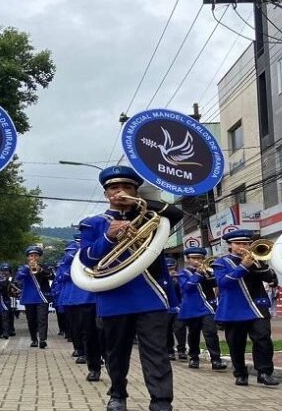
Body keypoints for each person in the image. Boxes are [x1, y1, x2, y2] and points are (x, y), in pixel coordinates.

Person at [78, 165, 183, 411]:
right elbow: (85, 259)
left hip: (151, 295)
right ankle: (118, 394)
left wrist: (141, 204)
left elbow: (176, 213)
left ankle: (161, 401)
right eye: (115, 188)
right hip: (114, 296)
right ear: (106, 194)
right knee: (116, 352)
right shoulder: (93, 223)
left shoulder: (152, 217)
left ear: (137, 191)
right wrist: (108, 237)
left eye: (127, 187)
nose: (121, 191)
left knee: (156, 352)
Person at [213, 229, 278, 387]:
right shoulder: (221, 262)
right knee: (236, 343)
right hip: (234, 308)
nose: (242, 246)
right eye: (238, 243)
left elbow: (270, 279)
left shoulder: (256, 259)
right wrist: (243, 266)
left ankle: (264, 372)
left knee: (263, 338)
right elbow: (223, 283)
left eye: (246, 243)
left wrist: (258, 263)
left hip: (257, 306)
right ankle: (241, 373)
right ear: (230, 245)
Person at [61, 233, 103, 382]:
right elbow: (65, 270)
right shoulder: (74, 253)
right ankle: (94, 367)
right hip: (85, 297)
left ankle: (109, 363)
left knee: (108, 334)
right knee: (89, 333)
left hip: (106, 294)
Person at [177, 247, 227, 371]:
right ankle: (194, 357)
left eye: (199, 258)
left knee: (211, 333)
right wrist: (198, 274)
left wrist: (211, 274)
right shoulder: (183, 273)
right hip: (192, 309)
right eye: (194, 258)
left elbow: (217, 284)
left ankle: (216, 360)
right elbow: (186, 288)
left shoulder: (208, 271)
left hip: (207, 307)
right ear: (188, 260)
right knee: (194, 334)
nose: (197, 261)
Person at [16, 246, 53, 349]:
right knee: (31, 320)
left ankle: (42, 340)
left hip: (42, 297)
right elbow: (18, 278)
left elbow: (52, 276)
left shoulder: (45, 267)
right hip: (29, 298)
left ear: (39, 257)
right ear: (28, 257)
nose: (33, 258)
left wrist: (40, 270)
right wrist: (26, 269)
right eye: (31, 256)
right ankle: (34, 339)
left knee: (42, 319)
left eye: (36, 256)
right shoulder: (23, 268)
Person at [165, 257, 187, 361]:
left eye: (172, 267)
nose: (171, 270)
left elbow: (184, 291)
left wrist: (177, 280)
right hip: (166, 309)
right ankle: (170, 351)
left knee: (180, 329)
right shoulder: (163, 279)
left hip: (178, 308)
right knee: (167, 331)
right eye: (169, 268)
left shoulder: (180, 277)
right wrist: (169, 279)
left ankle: (182, 350)